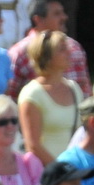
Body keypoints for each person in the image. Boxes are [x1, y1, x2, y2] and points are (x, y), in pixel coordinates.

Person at [17, 30, 82, 166]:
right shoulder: (32, 94)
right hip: (46, 171)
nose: (69, 52)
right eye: (62, 49)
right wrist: (60, 170)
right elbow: (33, 145)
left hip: (75, 169)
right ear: (46, 56)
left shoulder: (74, 88)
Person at [5, 0, 89, 96]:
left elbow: (86, 91)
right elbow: (10, 96)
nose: (64, 17)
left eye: (63, 13)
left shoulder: (75, 48)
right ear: (38, 20)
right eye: (57, 14)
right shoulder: (20, 52)